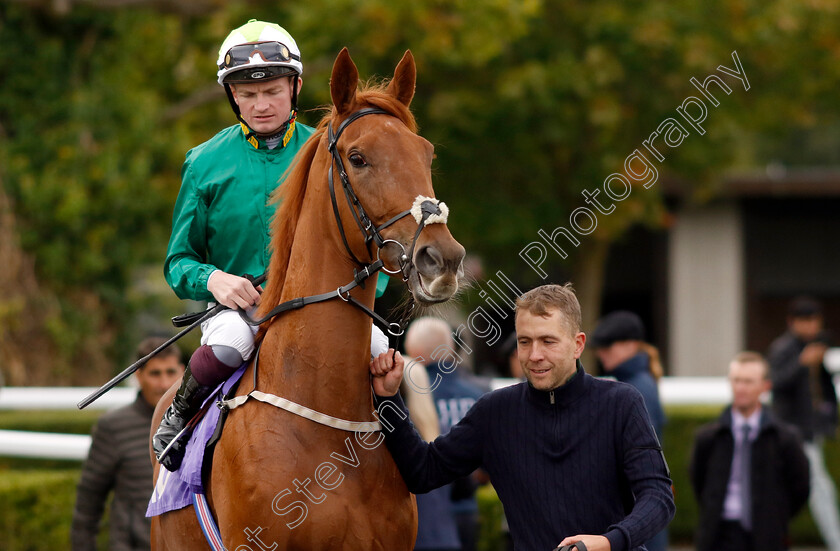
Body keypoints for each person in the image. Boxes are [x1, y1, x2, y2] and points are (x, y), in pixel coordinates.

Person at [153, 19, 389, 471]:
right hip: (236, 312)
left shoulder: (331, 152)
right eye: (248, 93)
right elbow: (177, 263)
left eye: (273, 91)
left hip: (328, 306)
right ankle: (176, 422)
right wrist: (215, 279)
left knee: (386, 358)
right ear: (232, 96)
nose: (261, 105)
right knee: (229, 346)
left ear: (295, 86)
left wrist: (363, 294)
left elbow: (369, 244)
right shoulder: (203, 163)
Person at [370, 283, 675, 551]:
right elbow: (423, 471)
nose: (534, 355)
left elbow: (658, 496)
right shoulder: (495, 412)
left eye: (548, 341)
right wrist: (389, 399)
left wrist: (609, 542)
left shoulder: (621, 403)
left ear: (578, 344)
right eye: (524, 342)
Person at [689, 351, 810, 551]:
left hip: (767, 534)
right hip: (719, 535)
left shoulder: (784, 439)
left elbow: (800, 486)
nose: (741, 388)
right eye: (736, 380)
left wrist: (776, 516)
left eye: (748, 381)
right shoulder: (709, 437)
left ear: (765, 386)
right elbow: (699, 482)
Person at [72, 338, 184, 550]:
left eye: (170, 372)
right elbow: (88, 502)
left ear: (182, 372)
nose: (163, 384)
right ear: (138, 375)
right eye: (155, 373)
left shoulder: (199, 422)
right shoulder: (113, 426)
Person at [404, 317, 488, 551]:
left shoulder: (409, 394)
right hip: (466, 510)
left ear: (413, 352)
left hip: (422, 513)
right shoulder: (480, 392)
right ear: (450, 349)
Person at [591, 311, 668, 551]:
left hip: (638, 508)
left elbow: (642, 459)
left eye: (608, 346)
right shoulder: (637, 383)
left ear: (630, 345)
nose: (601, 352)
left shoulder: (635, 389)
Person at [768, 296, 840, 551]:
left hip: (809, 432)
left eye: (814, 321)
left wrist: (829, 418)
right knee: (818, 489)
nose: (810, 326)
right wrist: (802, 363)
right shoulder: (783, 348)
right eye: (805, 320)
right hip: (789, 432)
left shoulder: (817, 345)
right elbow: (775, 383)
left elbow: (825, 388)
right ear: (792, 322)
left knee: (792, 491)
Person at [400, 359, 462, 551]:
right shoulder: (444, 431)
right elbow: (464, 486)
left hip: (412, 539)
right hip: (446, 537)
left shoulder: (394, 440)